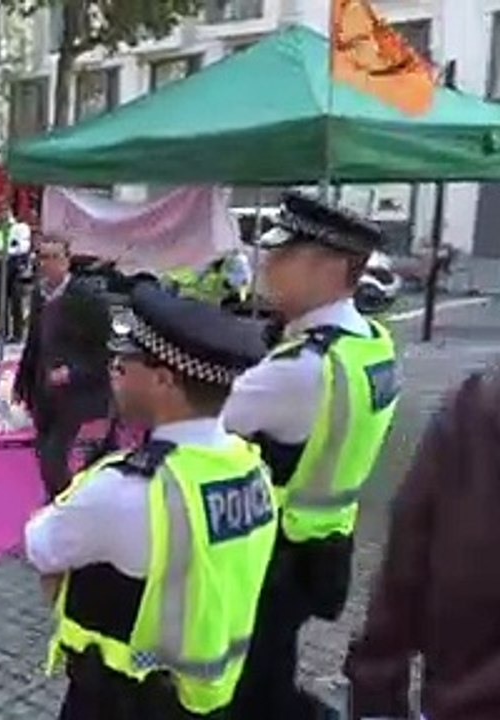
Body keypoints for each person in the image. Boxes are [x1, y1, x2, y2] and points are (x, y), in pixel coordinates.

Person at [25, 281, 275, 720]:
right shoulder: (251, 468)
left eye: (127, 361)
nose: (115, 369)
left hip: (122, 703)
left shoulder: (127, 490)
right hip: (210, 697)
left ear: (164, 379)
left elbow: (41, 544)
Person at [223, 192, 399, 719]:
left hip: (272, 554)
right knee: (274, 666)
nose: (266, 263)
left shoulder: (301, 368)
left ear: (330, 267)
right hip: (325, 543)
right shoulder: (372, 342)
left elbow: (205, 422)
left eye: (283, 253)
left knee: (250, 690)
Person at [345, 368, 500, 720]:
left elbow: (406, 563)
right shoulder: (471, 412)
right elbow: (408, 558)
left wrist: (376, 690)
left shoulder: (473, 409)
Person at [15, 237, 114, 500]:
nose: (45, 264)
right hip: (42, 390)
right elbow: (33, 342)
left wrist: (73, 372)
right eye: (42, 257)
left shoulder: (87, 299)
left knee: (54, 457)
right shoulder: (40, 294)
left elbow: (104, 349)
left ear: (66, 260)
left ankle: (65, 506)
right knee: (44, 454)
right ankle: (59, 503)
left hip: (76, 395)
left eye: (52, 257)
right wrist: (21, 383)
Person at [0, 209, 31, 343]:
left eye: (3, 213)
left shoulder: (19, 228)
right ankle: (2, 332)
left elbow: (23, 246)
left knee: (16, 301)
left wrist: (6, 250)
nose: (0, 216)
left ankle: (17, 334)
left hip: (14, 267)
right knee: (0, 301)